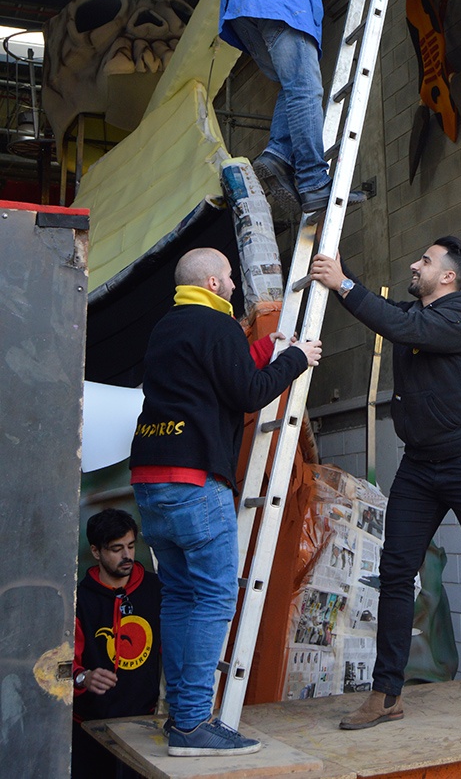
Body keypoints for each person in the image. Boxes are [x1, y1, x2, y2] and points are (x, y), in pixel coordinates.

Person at [310, 237, 461, 729]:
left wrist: (344, 282)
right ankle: (386, 695)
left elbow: (397, 324)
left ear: (448, 278)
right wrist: (329, 252)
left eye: (425, 260)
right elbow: (385, 313)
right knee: (396, 574)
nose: (414, 264)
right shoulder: (419, 315)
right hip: (421, 465)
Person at [130, 247, 322, 758]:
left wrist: (260, 350)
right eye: (231, 279)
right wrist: (297, 358)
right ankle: (192, 727)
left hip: (151, 480)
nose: (236, 286)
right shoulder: (216, 327)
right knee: (214, 599)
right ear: (213, 284)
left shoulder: (168, 327)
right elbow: (247, 393)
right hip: (194, 480)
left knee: (178, 597)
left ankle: (179, 715)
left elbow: (212, 375)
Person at [219, 0, 404, 218]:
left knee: (293, 87)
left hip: (247, 3)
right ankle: (314, 182)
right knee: (305, 90)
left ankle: (276, 157)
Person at [72, 508, 161, 779]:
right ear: (96, 551)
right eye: (116, 548)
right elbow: (62, 663)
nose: (127, 556)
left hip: (143, 728)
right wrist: (83, 677)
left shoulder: (157, 589)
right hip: (89, 730)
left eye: (131, 546)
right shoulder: (79, 599)